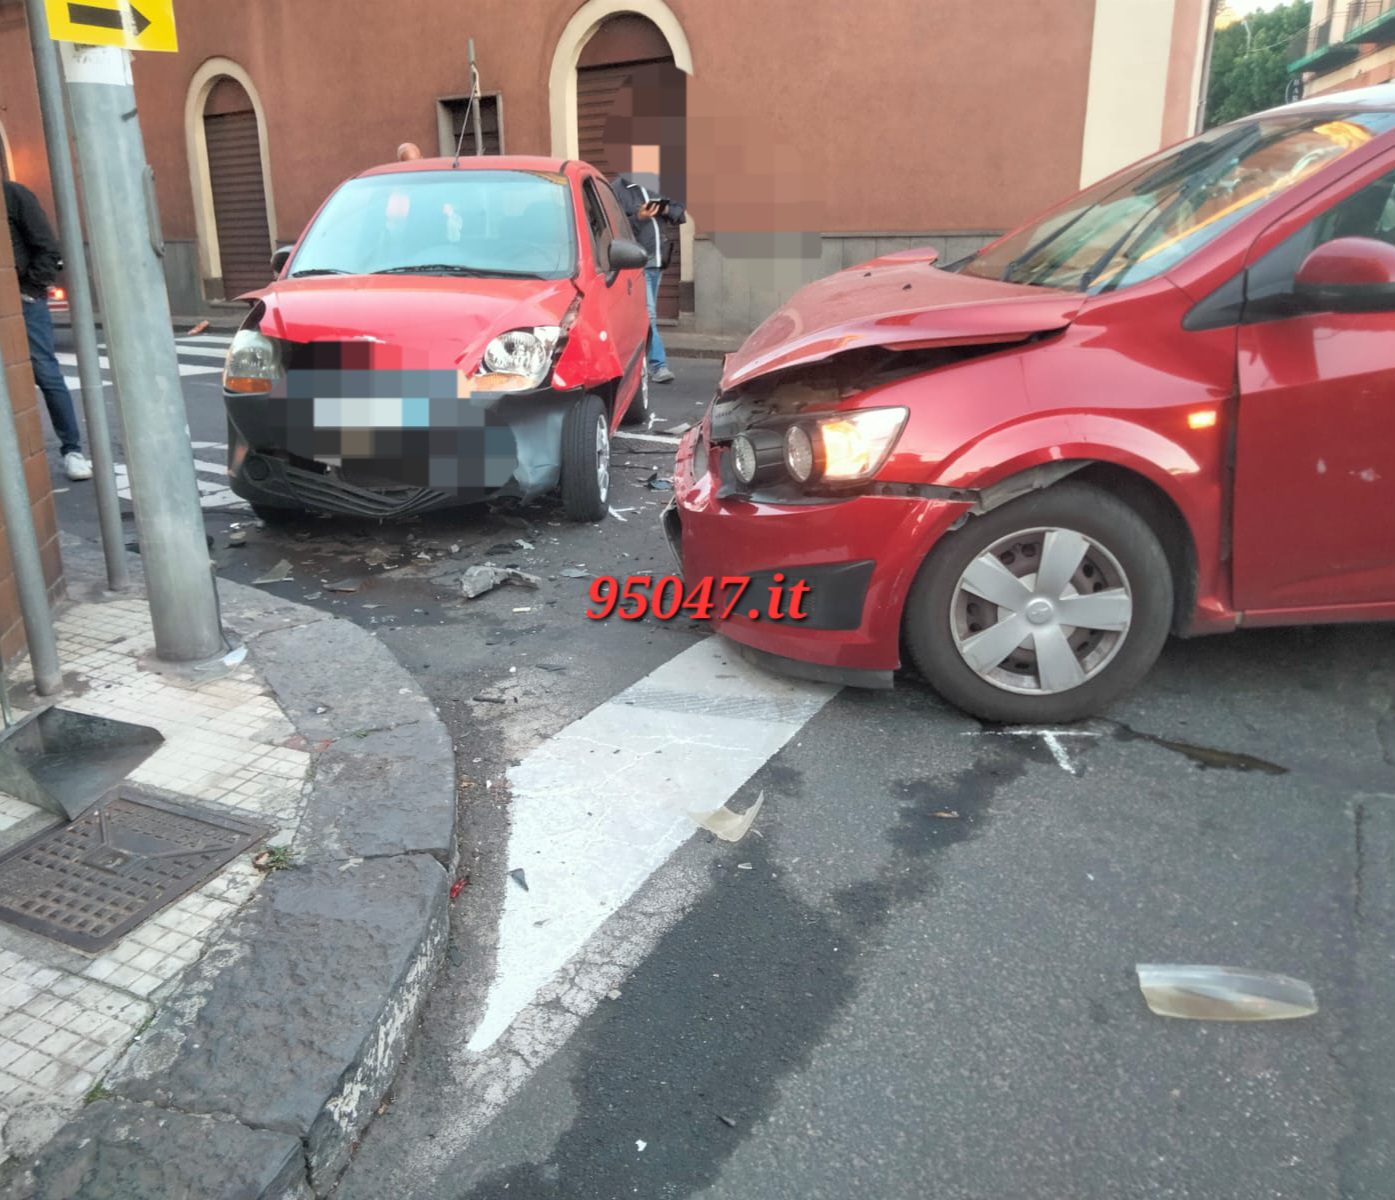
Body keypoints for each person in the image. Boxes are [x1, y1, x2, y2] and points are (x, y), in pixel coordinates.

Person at [5, 179, 91, 481]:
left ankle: (72, 451)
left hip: (24, 300)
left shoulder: (13, 195)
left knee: (44, 370)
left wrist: (28, 289)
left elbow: (46, 248)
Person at [611, 146, 685, 384]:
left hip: (658, 258)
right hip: (634, 259)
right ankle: (657, 365)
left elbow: (679, 212)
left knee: (643, 314)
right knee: (649, 313)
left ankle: (631, 359)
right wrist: (638, 217)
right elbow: (614, 227)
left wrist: (664, 209)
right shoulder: (617, 190)